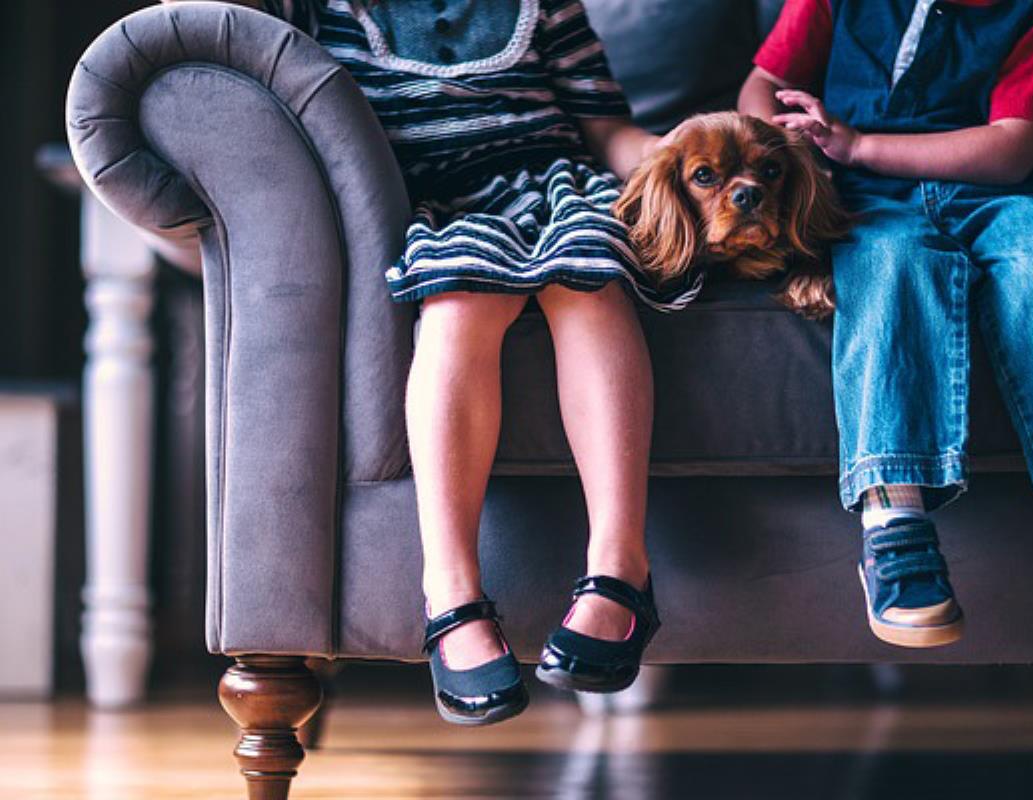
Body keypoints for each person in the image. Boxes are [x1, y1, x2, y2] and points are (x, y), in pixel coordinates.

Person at [168, 0, 695, 725]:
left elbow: (607, 127)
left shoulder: (545, 7)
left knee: (589, 281)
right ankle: (451, 591)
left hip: (556, 180)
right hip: (439, 199)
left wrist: (687, 156)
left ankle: (619, 568)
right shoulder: (322, 10)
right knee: (458, 302)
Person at [739, 0, 1033, 653]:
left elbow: (1012, 151)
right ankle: (893, 523)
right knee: (890, 266)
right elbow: (763, 81)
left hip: (1001, 196)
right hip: (868, 200)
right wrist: (782, 143)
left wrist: (861, 144)